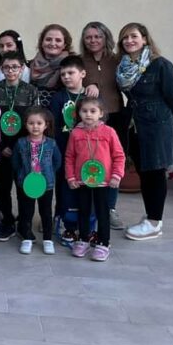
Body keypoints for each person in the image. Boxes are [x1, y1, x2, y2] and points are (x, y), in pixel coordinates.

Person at [116, 23, 173, 241]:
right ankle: (151, 216)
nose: (129, 40)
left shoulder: (159, 64)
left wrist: (166, 122)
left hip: (155, 125)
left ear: (145, 39)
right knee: (145, 172)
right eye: (125, 37)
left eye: (134, 36)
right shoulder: (124, 66)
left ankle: (155, 222)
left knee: (155, 172)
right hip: (136, 126)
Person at [65, 97, 126, 261]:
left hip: (104, 181)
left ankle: (103, 243)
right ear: (78, 113)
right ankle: (84, 239)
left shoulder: (109, 132)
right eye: (84, 111)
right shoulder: (76, 133)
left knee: (102, 212)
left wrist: (116, 175)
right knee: (84, 211)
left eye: (93, 111)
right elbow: (69, 157)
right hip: (82, 181)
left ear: (101, 113)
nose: (88, 115)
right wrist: (71, 177)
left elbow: (119, 155)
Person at [80, 21, 125, 230]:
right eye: (89, 37)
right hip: (88, 119)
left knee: (110, 162)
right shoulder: (80, 62)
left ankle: (109, 207)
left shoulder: (117, 60)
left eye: (97, 36)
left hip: (115, 116)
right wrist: (85, 84)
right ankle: (88, 207)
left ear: (105, 37)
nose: (93, 40)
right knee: (88, 159)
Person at [0, 52, 39, 242]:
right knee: (3, 187)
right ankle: (7, 223)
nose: (11, 71)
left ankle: (25, 225)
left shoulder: (31, 91)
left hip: (23, 148)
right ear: (2, 69)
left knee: (24, 188)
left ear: (22, 69)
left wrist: (23, 146)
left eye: (15, 67)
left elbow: (35, 120)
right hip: (1, 148)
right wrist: (1, 145)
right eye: (6, 67)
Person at [48, 55, 88, 246]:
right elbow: (53, 125)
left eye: (70, 73)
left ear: (82, 74)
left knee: (84, 186)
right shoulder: (58, 97)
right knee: (65, 187)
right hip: (64, 150)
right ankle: (64, 221)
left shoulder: (91, 96)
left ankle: (85, 223)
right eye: (62, 74)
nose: (66, 77)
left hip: (87, 153)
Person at [12, 107, 62, 255]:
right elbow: (15, 162)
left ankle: (47, 240)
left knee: (46, 212)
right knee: (26, 212)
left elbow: (57, 162)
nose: (35, 126)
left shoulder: (51, 143)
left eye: (39, 123)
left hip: (46, 184)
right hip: (25, 184)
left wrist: (48, 174)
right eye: (31, 123)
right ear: (25, 124)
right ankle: (26, 238)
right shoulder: (20, 143)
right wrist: (22, 174)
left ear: (45, 125)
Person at [30, 23, 73, 107]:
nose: (53, 43)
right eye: (48, 39)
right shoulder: (30, 65)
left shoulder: (71, 65)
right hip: (35, 115)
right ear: (42, 42)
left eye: (58, 40)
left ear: (64, 45)